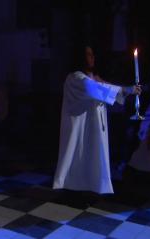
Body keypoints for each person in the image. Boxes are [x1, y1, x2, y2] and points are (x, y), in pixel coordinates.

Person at [53, 46, 141, 194]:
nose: (92, 57)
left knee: (93, 156)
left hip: (93, 126)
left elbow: (102, 88)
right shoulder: (74, 78)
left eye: (93, 54)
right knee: (79, 154)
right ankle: (72, 186)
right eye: (88, 54)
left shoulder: (92, 79)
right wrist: (127, 90)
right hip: (80, 127)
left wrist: (126, 91)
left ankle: (92, 186)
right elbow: (93, 89)